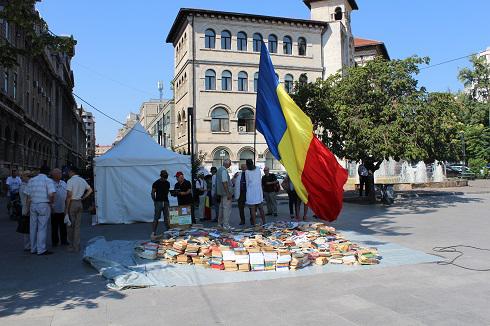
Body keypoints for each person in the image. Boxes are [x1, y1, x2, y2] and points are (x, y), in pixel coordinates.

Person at [25, 165, 56, 255]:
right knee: (42, 227)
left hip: (33, 205)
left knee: (33, 227)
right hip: (43, 205)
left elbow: (28, 196)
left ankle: (33, 248)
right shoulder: (48, 180)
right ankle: (41, 249)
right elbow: (51, 194)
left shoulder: (31, 180)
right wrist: (52, 205)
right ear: (48, 172)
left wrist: (27, 208)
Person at [65, 167, 93, 252]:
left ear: (71, 172)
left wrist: (66, 209)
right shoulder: (82, 180)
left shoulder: (70, 181)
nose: (68, 174)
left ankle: (71, 245)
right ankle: (77, 246)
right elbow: (90, 190)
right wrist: (83, 197)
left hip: (72, 203)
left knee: (70, 225)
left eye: (69, 172)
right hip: (79, 203)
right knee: (77, 226)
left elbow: (69, 195)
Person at [245, 159, 266, 226]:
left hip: (251, 191)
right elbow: (259, 179)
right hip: (258, 191)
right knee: (261, 208)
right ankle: (264, 222)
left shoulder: (247, 172)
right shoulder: (257, 169)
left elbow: (247, 182)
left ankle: (254, 223)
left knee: (253, 210)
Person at [51, 168, 68, 246]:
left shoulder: (63, 183)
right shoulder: (50, 183)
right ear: (54, 175)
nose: (61, 174)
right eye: (59, 173)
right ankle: (55, 241)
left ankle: (64, 240)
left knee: (63, 226)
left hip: (63, 208)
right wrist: (51, 207)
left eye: (61, 173)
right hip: (54, 209)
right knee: (54, 226)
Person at [151, 170, 170, 236]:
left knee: (165, 217)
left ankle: (167, 231)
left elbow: (153, 193)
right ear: (161, 176)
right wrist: (155, 201)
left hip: (163, 201)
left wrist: (155, 201)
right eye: (164, 177)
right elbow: (152, 193)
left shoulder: (167, 183)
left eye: (166, 177)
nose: (165, 178)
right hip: (161, 201)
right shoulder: (157, 183)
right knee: (158, 218)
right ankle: (154, 232)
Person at [17, 171, 32, 251]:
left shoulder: (24, 185)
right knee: (27, 228)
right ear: (24, 176)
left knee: (27, 228)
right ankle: (27, 245)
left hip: (25, 208)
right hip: (26, 209)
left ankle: (28, 245)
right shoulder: (24, 186)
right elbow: (27, 200)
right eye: (29, 176)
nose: (30, 178)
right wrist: (28, 210)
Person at [216, 159, 232, 229]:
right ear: (227, 164)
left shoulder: (219, 170)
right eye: (230, 163)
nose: (230, 165)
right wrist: (228, 193)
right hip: (225, 193)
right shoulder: (224, 171)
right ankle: (226, 225)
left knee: (221, 208)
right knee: (226, 209)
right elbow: (224, 182)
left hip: (220, 192)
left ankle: (219, 224)